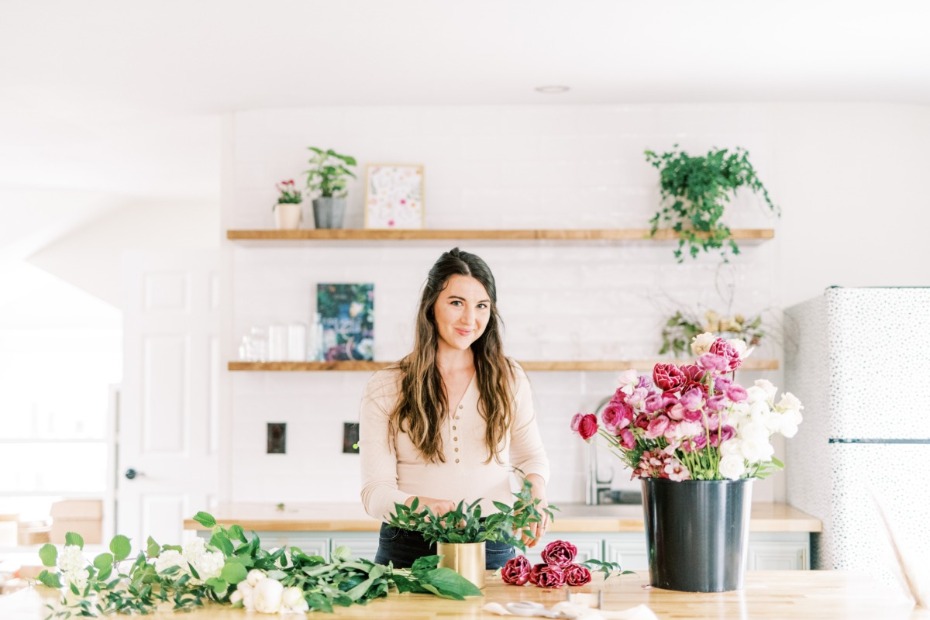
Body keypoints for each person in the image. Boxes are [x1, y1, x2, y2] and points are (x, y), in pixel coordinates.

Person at [359, 247, 550, 569]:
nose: (470, 319)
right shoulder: (386, 385)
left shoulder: (508, 377)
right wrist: (421, 507)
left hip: (492, 541)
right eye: (456, 303)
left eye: (481, 306)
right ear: (431, 306)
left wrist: (536, 492)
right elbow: (374, 493)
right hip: (409, 545)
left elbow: (530, 457)